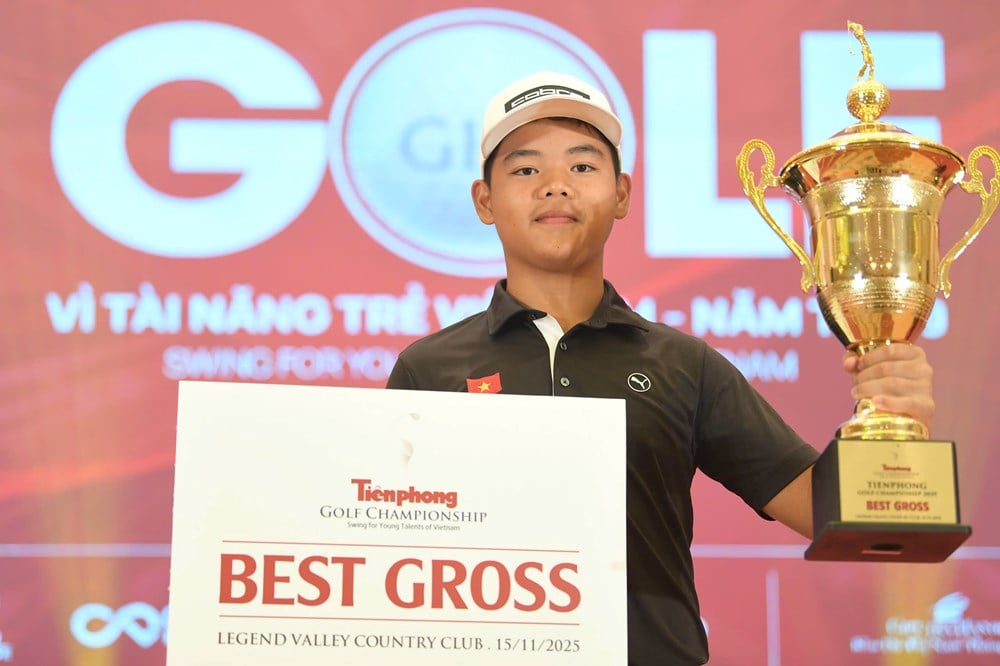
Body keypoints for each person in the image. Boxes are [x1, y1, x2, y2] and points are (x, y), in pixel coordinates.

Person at [386, 71, 935, 665]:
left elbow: (827, 516)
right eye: (524, 169)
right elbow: (381, 548)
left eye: (582, 166)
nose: (554, 186)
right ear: (484, 200)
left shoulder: (682, 364)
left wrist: (892, 424)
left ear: (621, 194)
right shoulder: (429, 368)